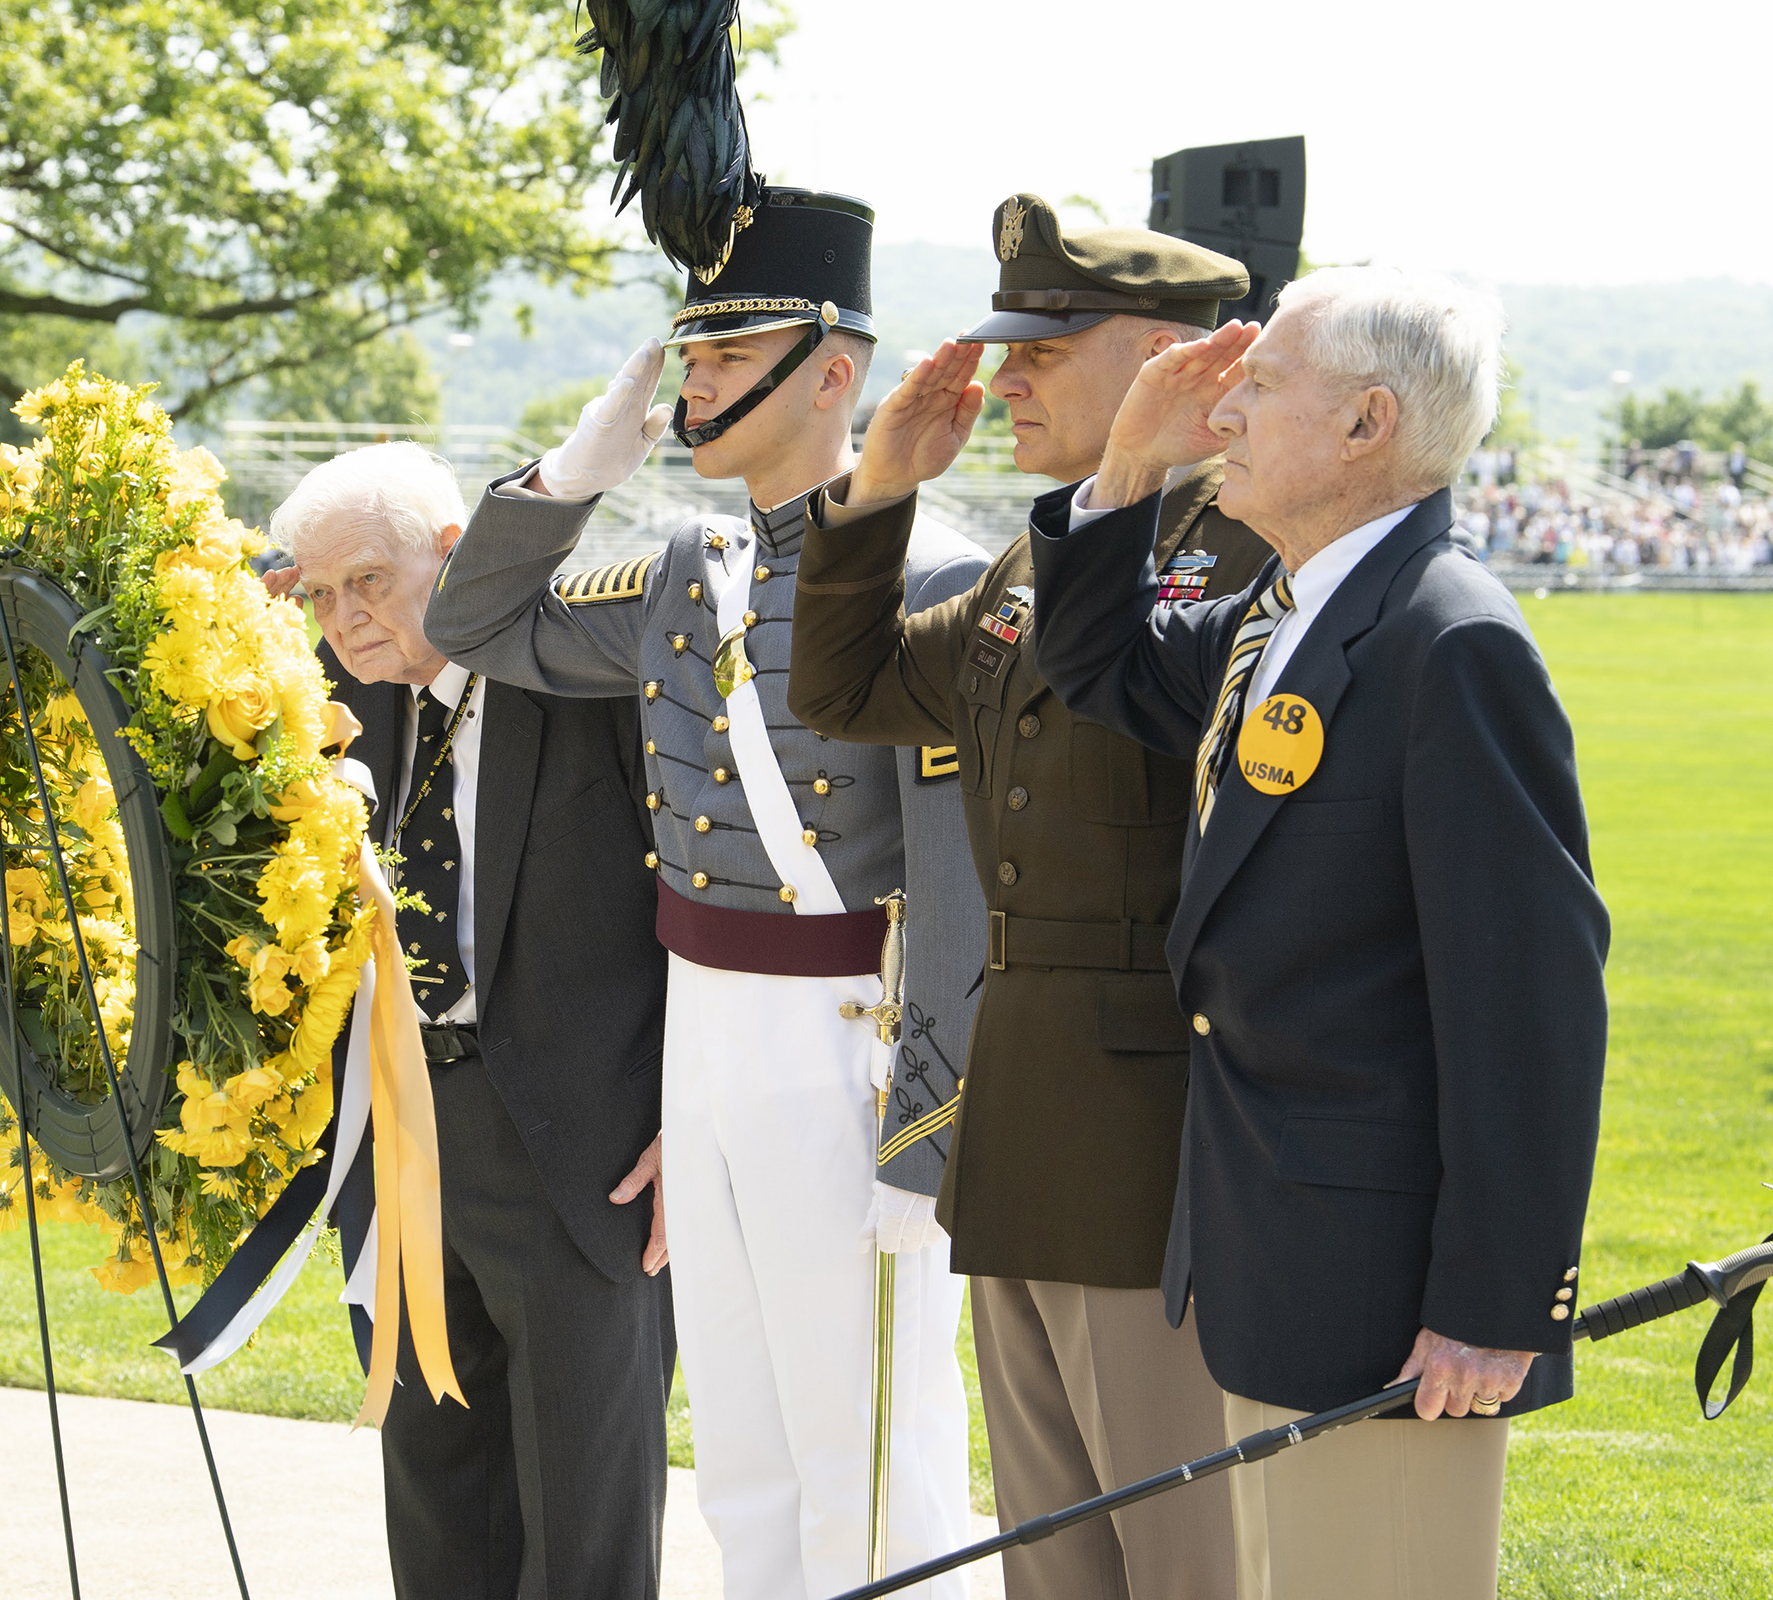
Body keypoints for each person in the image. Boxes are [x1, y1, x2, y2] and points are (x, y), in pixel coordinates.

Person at [422, 188, 988, 1600]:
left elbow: (962, 886)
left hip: (851, 1037)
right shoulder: (691, 568)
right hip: (705, 1030)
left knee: (867, 1439)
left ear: (834, 372)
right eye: (689, 354)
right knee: (739, 1437)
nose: (696, 384)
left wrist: (930, 1122)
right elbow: (472, 623)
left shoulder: (942, 570)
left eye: (730, 359)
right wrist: (581, 462)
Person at [1018, 270, 1609, 1599]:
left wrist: (1494, 1301)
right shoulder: (1291, 618)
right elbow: (1097, 660)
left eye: (1261, 385)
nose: (1223, 409)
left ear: (1366, 426)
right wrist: (1126, 457)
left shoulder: (1449, 642)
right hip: (1280, 1261)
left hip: (1398, 1307)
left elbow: (1531, 1004)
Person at [789, 193, 1262, 1600]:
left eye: (1042, 353)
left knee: (1181, 1550)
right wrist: (879, 487)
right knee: (1053, 1558)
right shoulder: (1031, 562)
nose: (1000, 384)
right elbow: (847, 689)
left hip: (1152, 1137)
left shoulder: (1242, 552)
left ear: (1176, 361)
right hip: (1021, 1116)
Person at [271, 442, 676, 1600]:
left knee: (582, 1522)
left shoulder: (593, 677)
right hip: (397, 1141)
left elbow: (699, 908)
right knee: (438, 1498)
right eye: (322, 591)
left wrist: (689, 1116)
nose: (343, 619)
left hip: (584, 1160)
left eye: (368, 582)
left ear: (457, 555)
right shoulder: (335, 703)